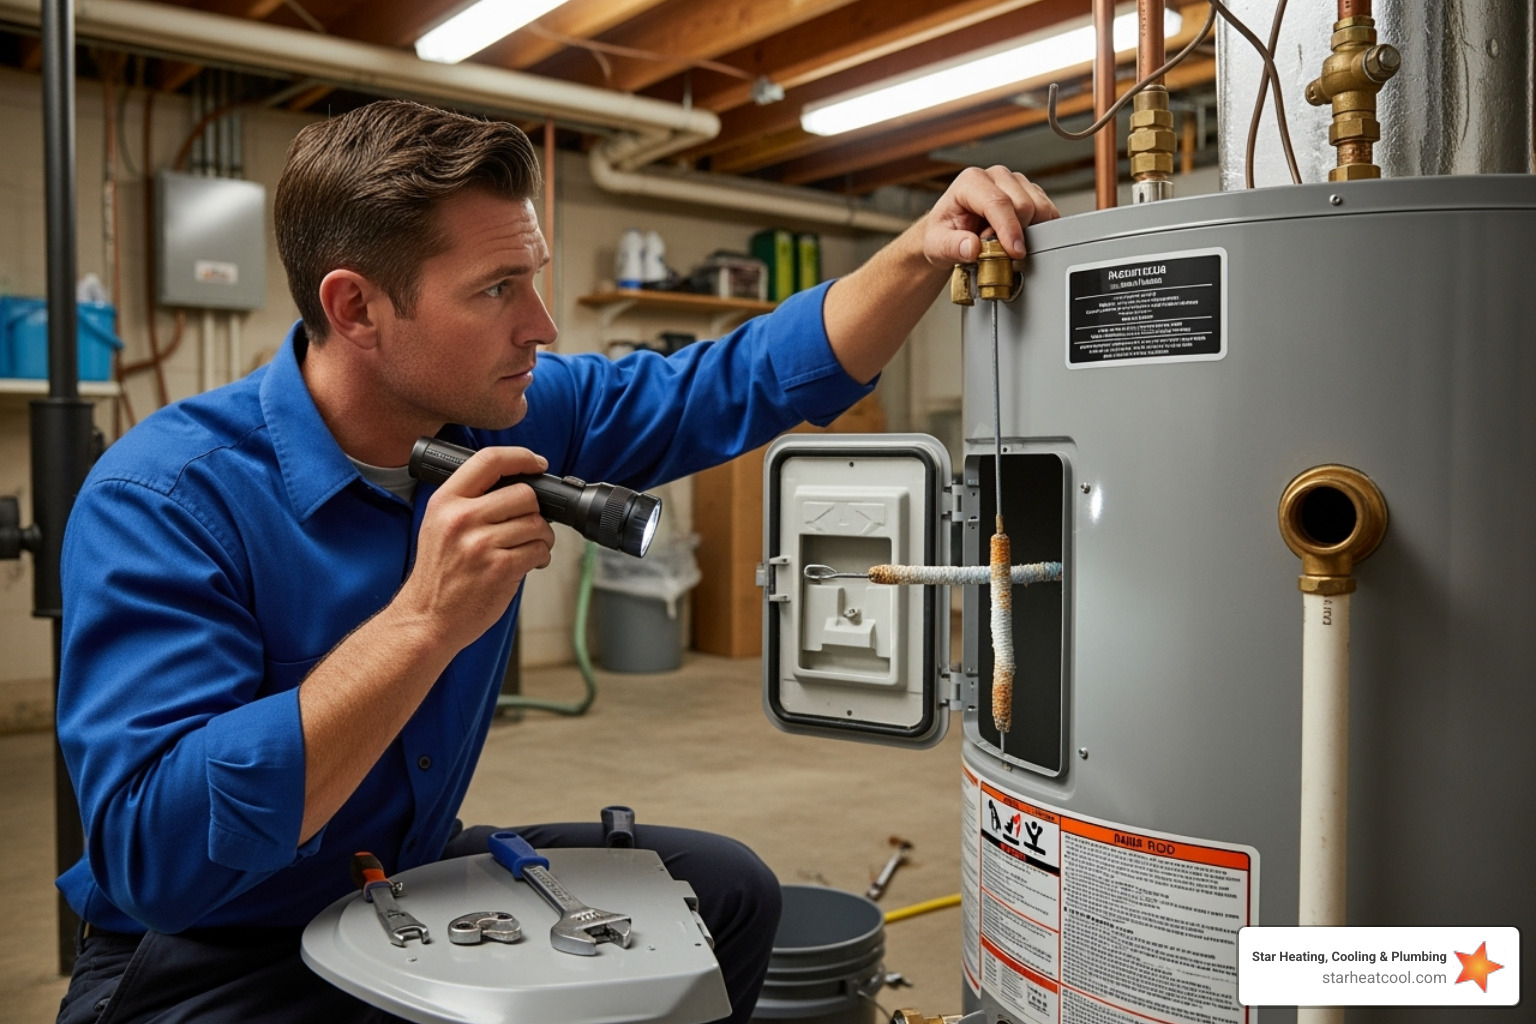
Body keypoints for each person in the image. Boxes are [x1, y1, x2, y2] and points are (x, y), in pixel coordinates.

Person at [53, 99, 1057, 1023]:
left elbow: (733, 379)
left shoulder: (521, 411)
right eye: (496, 289)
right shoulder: (166, 497)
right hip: (212, 944)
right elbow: (159, 858)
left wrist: (924, 252)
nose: (540, 324)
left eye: (530, 276)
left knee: (730, 894)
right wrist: (422, 621)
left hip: (388, 877)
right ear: (356, 308)